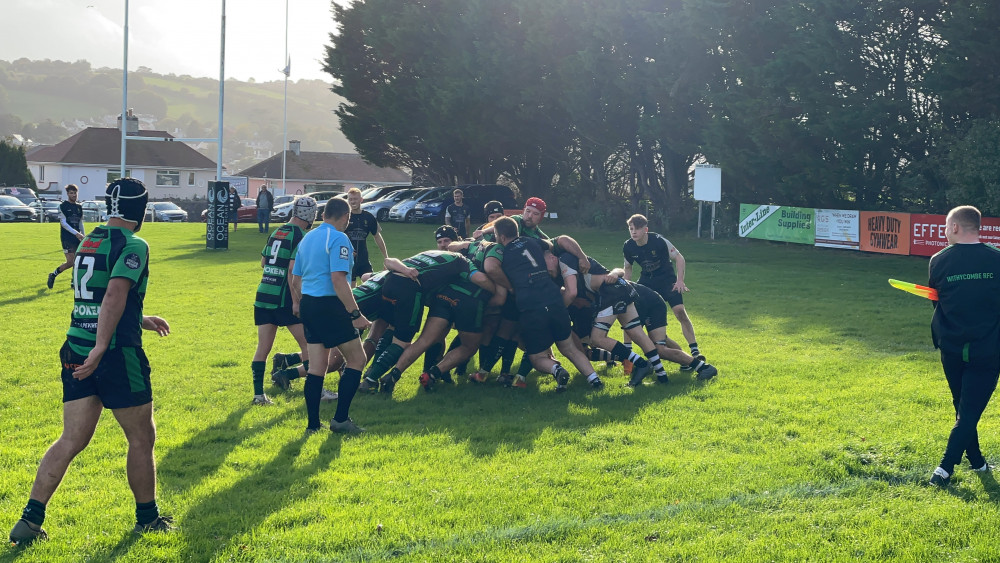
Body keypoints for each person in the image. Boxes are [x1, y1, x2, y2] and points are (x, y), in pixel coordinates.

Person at [9, 179, 174, 546]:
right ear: (141, 210)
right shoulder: (134, 244)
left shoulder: (90, 240)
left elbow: (96, 297)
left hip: (76, 347)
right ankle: (148, 519)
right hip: (114, 355)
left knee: (70, 439)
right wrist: (102, 346)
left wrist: (141, 320)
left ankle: (30, 520)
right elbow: (114, 292)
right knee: (141, 436)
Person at [927, 205, 1000, 487]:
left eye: (946, 227)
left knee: (965, 410)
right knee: (966, 412)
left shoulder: (937, 260)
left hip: (953, 348)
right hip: (987, 349)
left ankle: (945, 468)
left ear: (955, 227)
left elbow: (937, 303)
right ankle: (977, 462)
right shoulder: (996, 259)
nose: (946, 232)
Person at [289, 197, 371, 434]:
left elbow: (295, 280)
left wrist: (307, 302)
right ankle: (341, 419)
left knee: (317, 367)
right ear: (345, 217)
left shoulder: (307, 239)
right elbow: (338, 279)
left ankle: (313, 425)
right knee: (357, 359)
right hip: (331, 306)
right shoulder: (338, 237)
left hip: (310, 304)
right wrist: (355, 313)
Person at [493, 216, 598, 392]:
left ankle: (556, 370)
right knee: (570, 348)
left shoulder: (503, 253)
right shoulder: (533, 241)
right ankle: (594, 379)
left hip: (530, 305)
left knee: (536, 356)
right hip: (553, 297)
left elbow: (493, 268)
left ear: (502, 237)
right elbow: (550, 247)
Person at [250, 197, 316, 405]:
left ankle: (258, 395)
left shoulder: (277, 231)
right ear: (311, 215)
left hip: (263, 295)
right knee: (307, 343)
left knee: (263, 347)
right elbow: (291, 270)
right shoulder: (301, 236)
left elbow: (263, 262)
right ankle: (316, 391)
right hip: (283, 297)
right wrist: (296, 302)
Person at [623, 214, 702, 368]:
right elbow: (627, 268)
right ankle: (630, 357)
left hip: (667, 280)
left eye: (637, 229)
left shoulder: (659, 241)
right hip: (647, 281)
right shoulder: (628, 246)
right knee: (634, 317)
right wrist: (627, 287)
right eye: (631, 229)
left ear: (645, 229)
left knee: (679, 311)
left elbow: (679, 258)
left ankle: (695, 352)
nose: (634, 232)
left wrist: (680, 280)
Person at [345, 187, 388, 286]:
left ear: (361, 200)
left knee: (371, 285)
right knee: (351, 289)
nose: (353, 202)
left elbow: (377, 236)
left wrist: (386, 257)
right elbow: (338, 236)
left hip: (364, 260)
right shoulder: (345, 217)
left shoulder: (368, 217)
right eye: (350, 199)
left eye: (355, 199)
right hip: (348, 260)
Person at [46, 184, 85, 290]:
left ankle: (73, 282)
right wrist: (76, 233)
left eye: (75, 193)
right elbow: (63, 223)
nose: (74, 195)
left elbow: (80, 222)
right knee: (71, 262)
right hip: (67, 237)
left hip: (77, 237)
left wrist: (83, 235)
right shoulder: (63, 206)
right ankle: (53, 275)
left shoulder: (79, 207)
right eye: (71, 193)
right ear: (67, 194)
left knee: (78, 260)